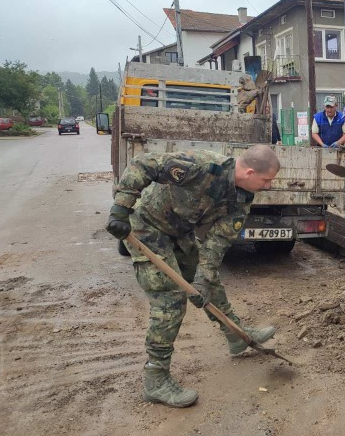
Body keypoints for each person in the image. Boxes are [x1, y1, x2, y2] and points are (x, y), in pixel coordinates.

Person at [105, 145, 280, 407]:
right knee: (170, 300)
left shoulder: (242, 196)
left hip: (180, 231)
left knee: (209, 283)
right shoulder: (200, 166)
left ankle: (235, 334)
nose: (268, 186)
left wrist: (203, 276)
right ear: (250, 172)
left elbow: (219, 240)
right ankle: (156, 379)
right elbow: (143, 164)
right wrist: (121, 207)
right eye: (266, 180)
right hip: (147, 227)